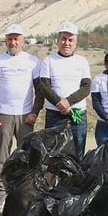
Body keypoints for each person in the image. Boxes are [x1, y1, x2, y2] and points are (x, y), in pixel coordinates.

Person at [0, 24, 41, 207]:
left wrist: (34, 112)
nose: (13, 42)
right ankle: (1, 192)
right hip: (3, 116)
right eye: (10, 38)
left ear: (23, 41)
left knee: (25, 156)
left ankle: (25, 193)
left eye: (16, 38)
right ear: (5, 41)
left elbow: (40, 90)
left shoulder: (32, 61)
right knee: (2, 157)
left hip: (25, 116)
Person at [35, 22, 92, 161]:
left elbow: (86, 87)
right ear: (58, 41)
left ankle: (73, 182)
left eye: (70, 40)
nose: (67, 43)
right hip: (54, 114)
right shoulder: (49, 61)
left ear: (75, 42)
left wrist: (68, 102)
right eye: (63, 39)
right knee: (52, 154)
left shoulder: (82, 61)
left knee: (77, 155)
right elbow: (44, 86)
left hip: (76, 115)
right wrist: (59, 103)